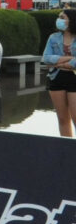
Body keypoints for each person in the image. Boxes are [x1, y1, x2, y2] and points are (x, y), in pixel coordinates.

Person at [42, 8, 76, 137]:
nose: (59, 20)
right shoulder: (53, 37)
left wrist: (65, 64)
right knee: (62, 119)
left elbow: (52, 61)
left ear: (71, 21)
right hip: (56, 78)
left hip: (74, 79)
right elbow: (46, 58)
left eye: (63, 17)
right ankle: (66, 149)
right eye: (59, 17)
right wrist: (69, 59)